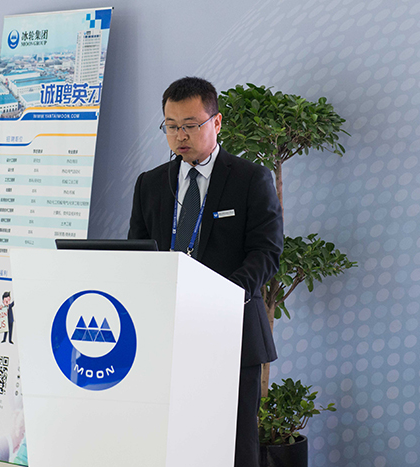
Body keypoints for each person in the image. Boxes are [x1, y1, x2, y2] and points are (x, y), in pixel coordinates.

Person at [128, 76, 283, 467]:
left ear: (216, 122)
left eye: (190, 125)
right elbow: (137, 253)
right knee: (173, 441)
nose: (180, 136)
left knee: (234, 445)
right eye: (171, 126)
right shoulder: (150, 184)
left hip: (231, 332)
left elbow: (266, 252)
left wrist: (220, 298)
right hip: (167, 333)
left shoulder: (250, 178)